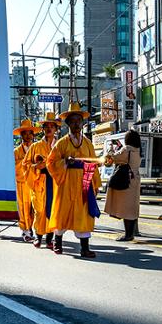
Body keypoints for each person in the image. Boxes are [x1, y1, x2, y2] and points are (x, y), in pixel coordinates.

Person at [46, 103, 102, 257]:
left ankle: (84, 248)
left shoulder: (88, 143)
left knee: (84, 214)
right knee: (62, 212)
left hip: (84, 182)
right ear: (68, 123)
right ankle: (58, 243)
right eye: (73, 121)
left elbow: (95, 163)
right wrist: (65, 162)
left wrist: (95, 184)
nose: (76, 124)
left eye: (79, 121)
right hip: (66, 182)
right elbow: (50, 163)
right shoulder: (61, 143)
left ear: (82, 123)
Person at [25, 112, 61, 249]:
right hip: (40, 181)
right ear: (43, 129)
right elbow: (25, 165)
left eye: (52, 126)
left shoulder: (60, 145)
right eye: (46, 126)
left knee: (53, 210)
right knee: (39, 210)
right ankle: (38, 236)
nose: (49, 129)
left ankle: (50, 239)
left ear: (56, 129)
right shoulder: (35, 147)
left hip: (55, 182)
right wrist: (36, 167)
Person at [104, 129, 141, 242]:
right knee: (132, 207)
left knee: (126, 209)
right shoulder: (138, 150)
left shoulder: (127, 149)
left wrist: (110, 150)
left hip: (126, 180)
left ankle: (128, 235)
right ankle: (132, 232)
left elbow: (114, 158)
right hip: (135, 179)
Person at [12, 119, 38, 242]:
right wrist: (26, 164)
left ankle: (33, 228)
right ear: (21, 135)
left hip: (36, 182)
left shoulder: (37, 148)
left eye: (29, 133)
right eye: (25, 133)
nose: (27, 136)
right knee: (23, 208)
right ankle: (25, 230)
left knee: (35, 208)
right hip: (22, 183)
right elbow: (14, 167)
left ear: (33, 135)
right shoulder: (16, 151)